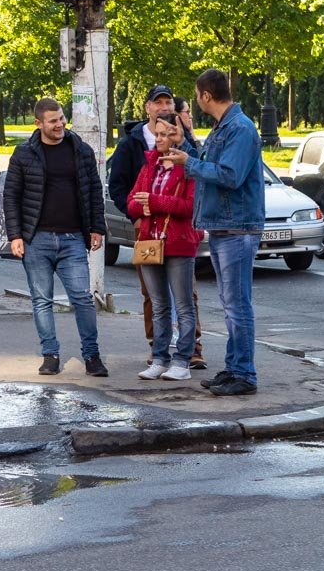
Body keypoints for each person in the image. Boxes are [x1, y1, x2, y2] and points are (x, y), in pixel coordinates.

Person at [161, 68, 265, 396]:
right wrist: (186, 150)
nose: (195, 101)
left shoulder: (240, 129)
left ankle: (244, 374)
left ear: (206, 96)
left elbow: (230, 175)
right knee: (230, 302)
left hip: (237, 228)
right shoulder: (225, 127)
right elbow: (212, 168)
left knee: (237, 304)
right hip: (224, 226)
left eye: (196, 95)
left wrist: (187, 164)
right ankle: (234, 368)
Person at [3, 97, 108, 377]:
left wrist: (97, 227)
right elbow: (11, 196)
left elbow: (94, 191)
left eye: (62, 118)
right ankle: (50, 354)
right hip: (36, 240)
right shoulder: (24, 153)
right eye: (53, 120)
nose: (60, 124)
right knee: (41, 300)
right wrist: (16, 235)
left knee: (82, 299)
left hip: (73, 238)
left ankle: (92, 356)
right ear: (38, 124)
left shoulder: (80, 150)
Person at [108, 84, 207, 370]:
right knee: (154, 297)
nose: (164, 107)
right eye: (158, 103)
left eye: (168, 102)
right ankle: (157, 349)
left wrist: (155, 202)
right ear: (147, 108)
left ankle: (191, 351)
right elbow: (124, 191)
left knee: (187, 297)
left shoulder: (186, 149)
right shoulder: (134, 147)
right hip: (147, 233)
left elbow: (192, 198)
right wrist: (137, 216)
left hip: (179, 236)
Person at [126, 113, 199, 381]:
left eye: (166, 134)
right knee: (158, 305)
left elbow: (191, 206)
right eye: (157, 134)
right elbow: (132, 201)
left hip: (179, 242)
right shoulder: (150, 165)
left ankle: (183, 361)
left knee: (183, 305)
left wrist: (155, 202)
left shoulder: (189, 167)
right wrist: (143, 205)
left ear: (178, 136)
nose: (160, 139)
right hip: (149, 241)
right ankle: (159, 358)